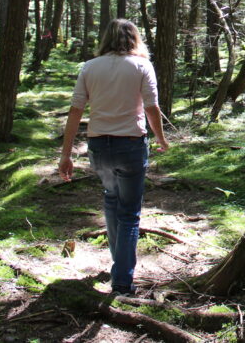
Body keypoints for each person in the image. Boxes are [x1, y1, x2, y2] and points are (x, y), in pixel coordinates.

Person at [58, 19, 169, 295]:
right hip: (131, 145)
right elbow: (152, 108)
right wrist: (162, 139)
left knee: (111, 199)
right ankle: (122, 281)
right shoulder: (142, 65)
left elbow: (75, 111)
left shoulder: (90, 67)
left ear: (106, 38)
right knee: (129, 213)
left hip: (98, 147)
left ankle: (118, 265)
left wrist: (66, 154)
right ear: (134, 38)